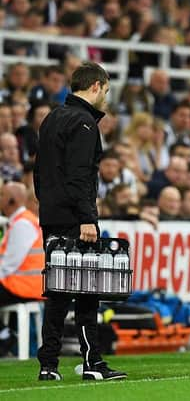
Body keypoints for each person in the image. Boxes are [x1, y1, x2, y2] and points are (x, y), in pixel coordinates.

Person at [34, 61, 126, 381]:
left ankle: (48, 365)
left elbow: (39, 173)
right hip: (76, 217)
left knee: (57, 292)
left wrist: (49, 207)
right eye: (107, 91)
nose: (107, 98)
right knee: (88, 291)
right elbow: (80, 177)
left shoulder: (52, 118)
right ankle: (92, 362)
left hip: (52, 215)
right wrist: (88, 218)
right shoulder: (84, 122)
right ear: (96, 86)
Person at [0, 182, 45, 357]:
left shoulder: (22, 224)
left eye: (2, 195)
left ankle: (4, 335)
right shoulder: (22, 221)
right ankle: (4, 334)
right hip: (24, 284)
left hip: (23, 286)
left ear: (11, 200)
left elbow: (9, 265)